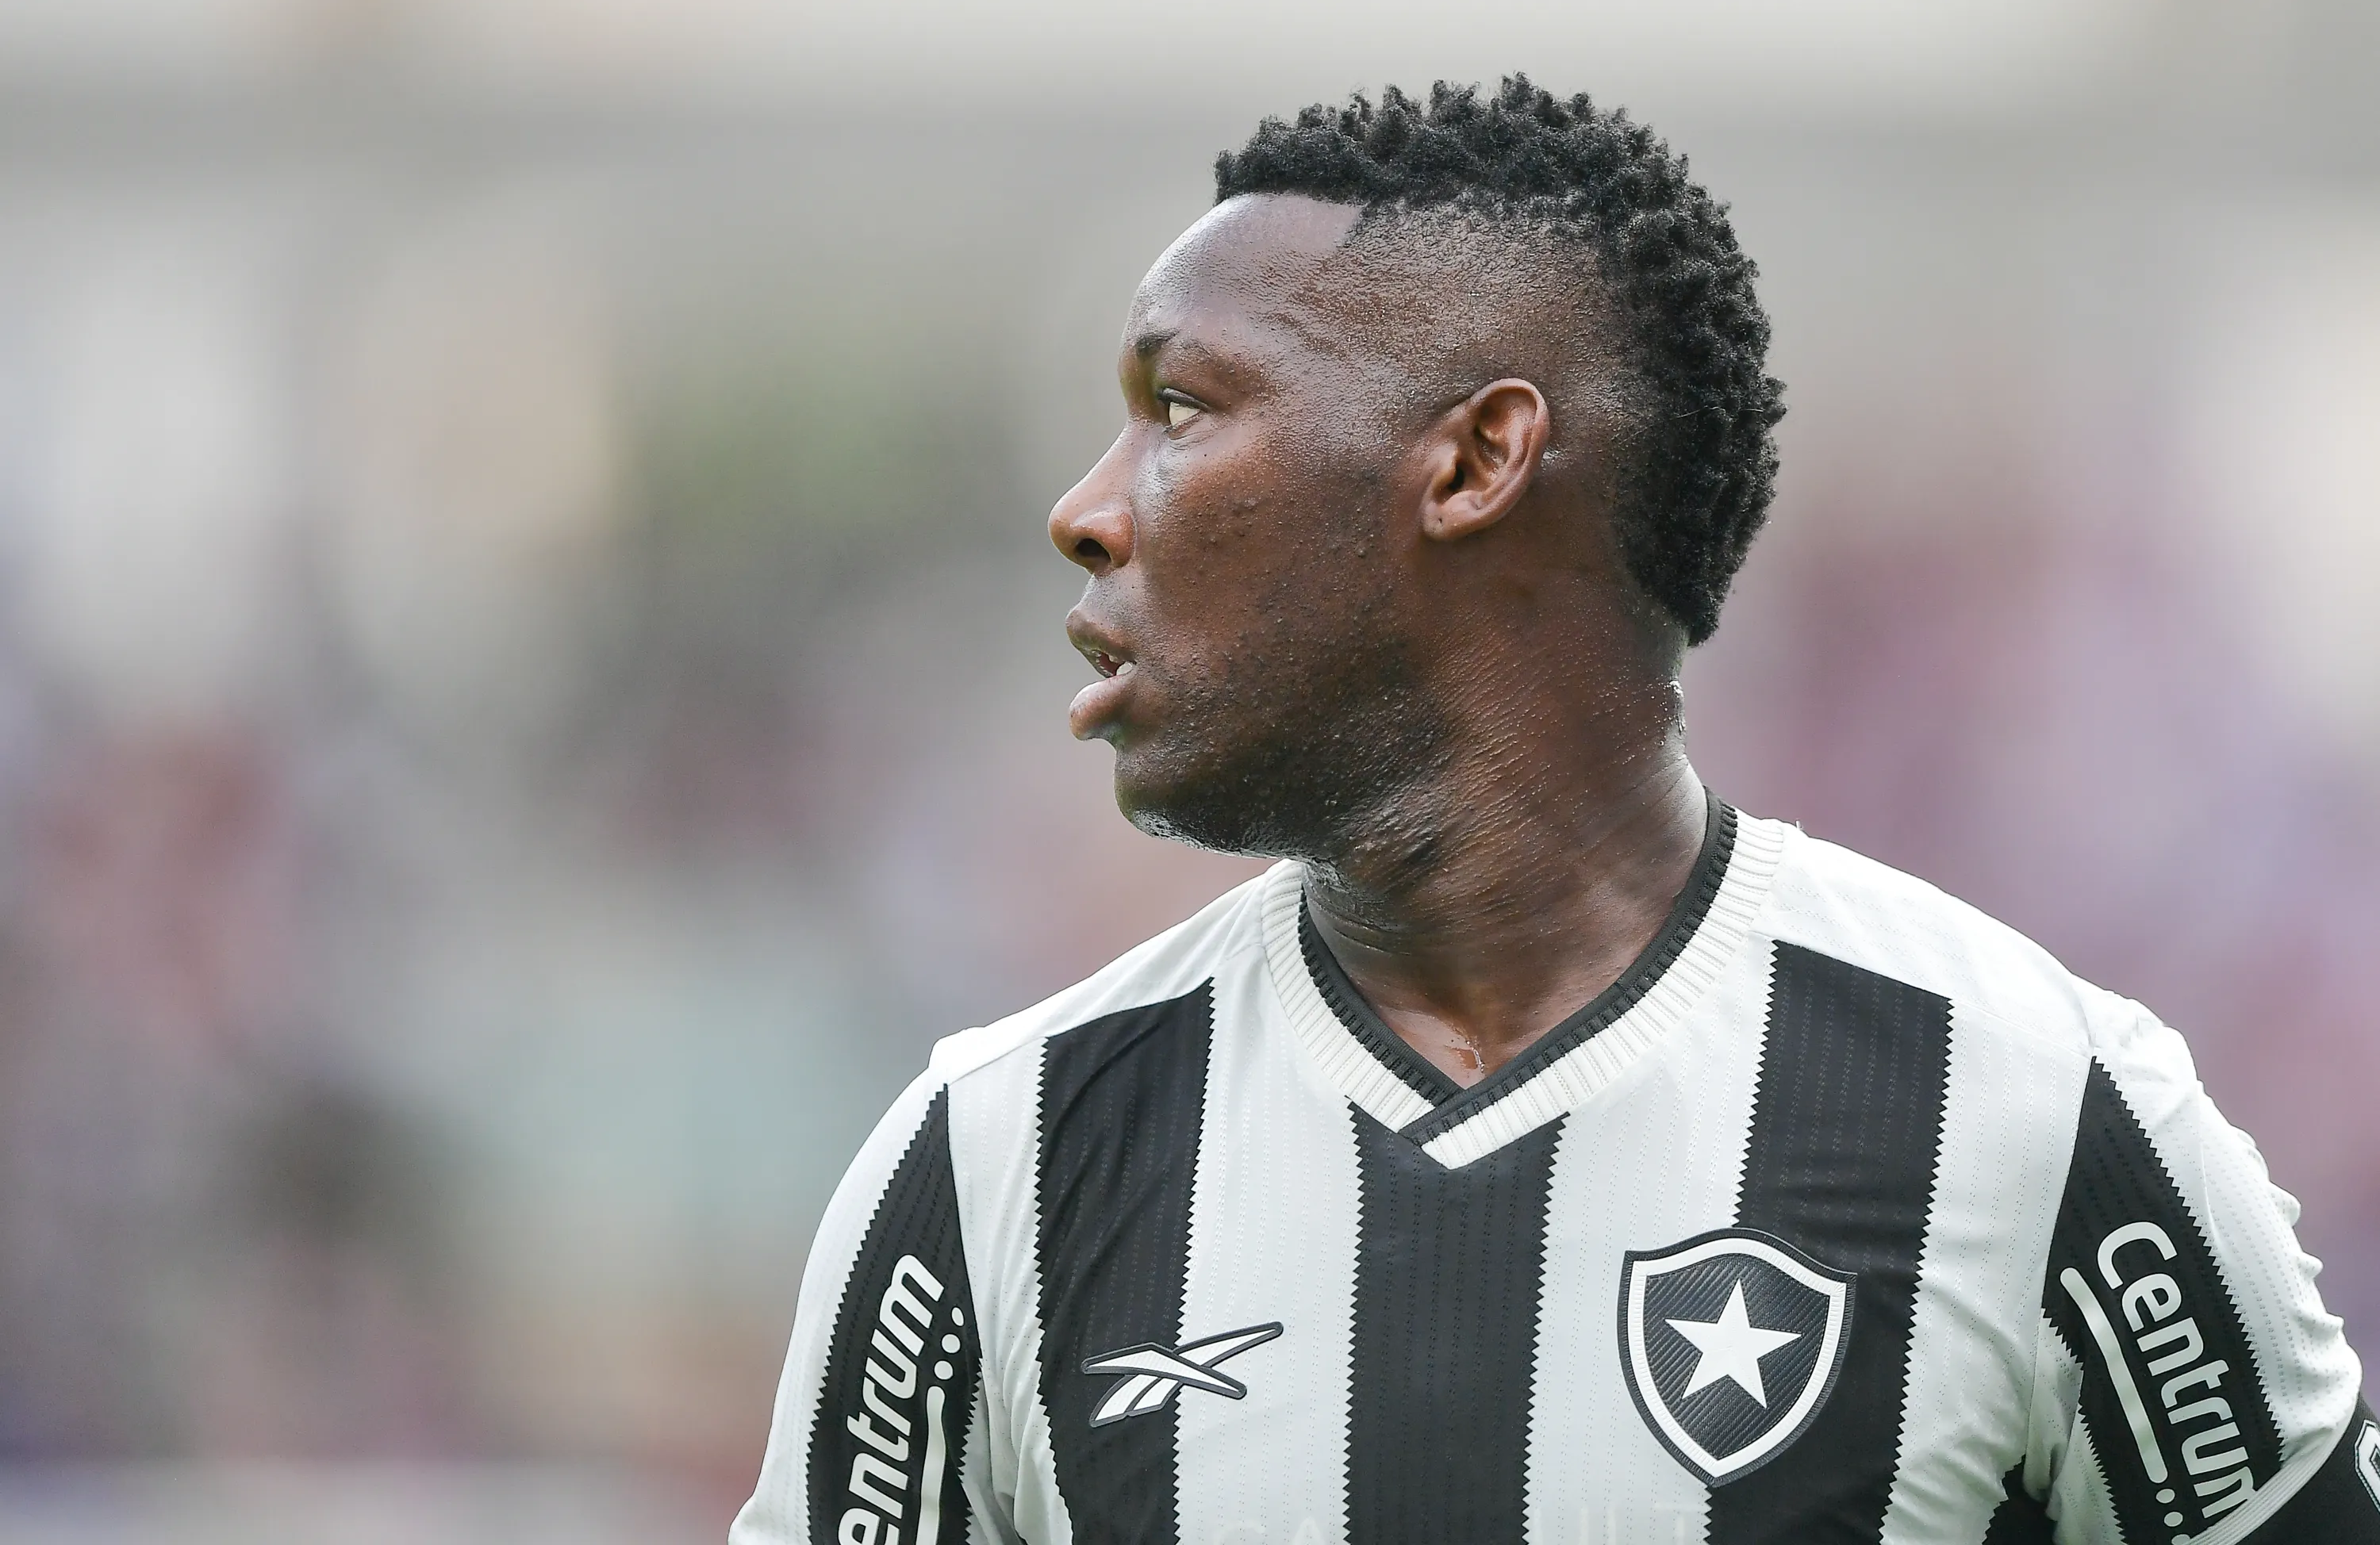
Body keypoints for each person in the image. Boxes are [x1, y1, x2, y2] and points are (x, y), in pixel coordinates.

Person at [730, 79, 2378, 1545]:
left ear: (1474, 463)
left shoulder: (2025, 1107)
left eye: (1184, 407)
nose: (1087, 510)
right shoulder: (997, 1157)